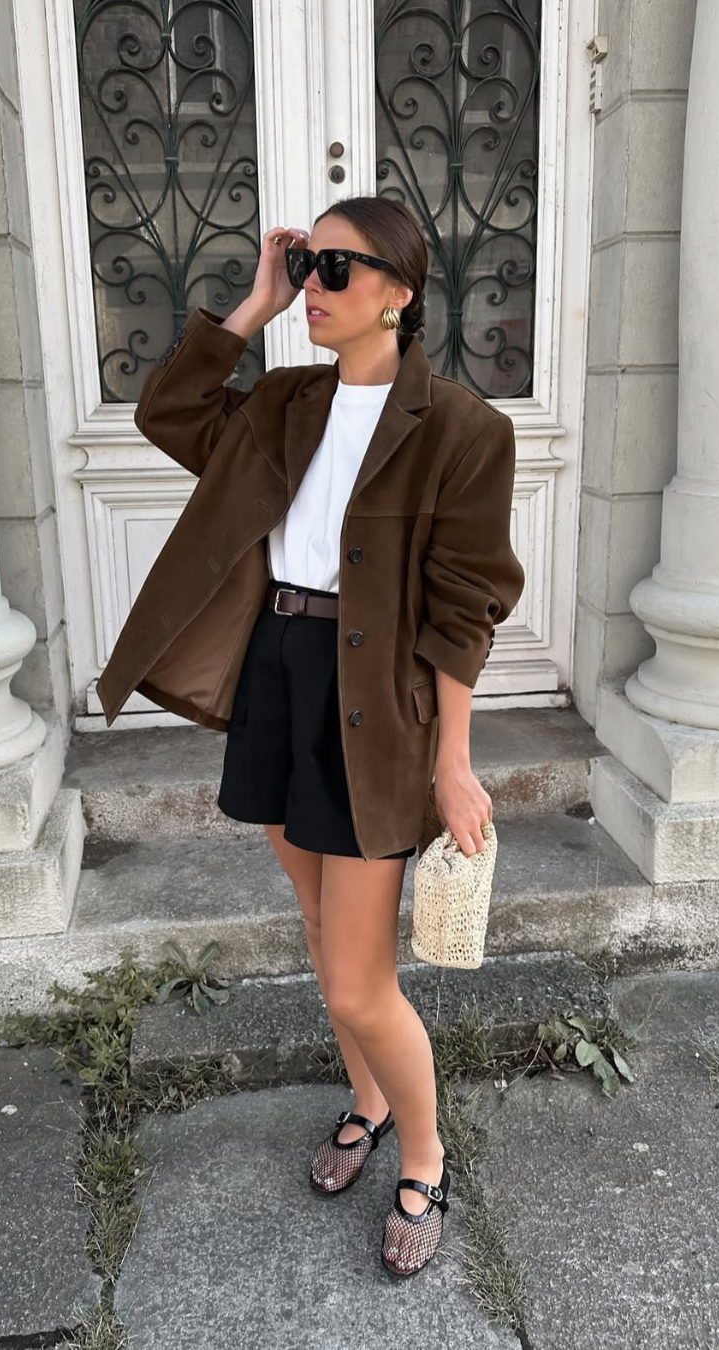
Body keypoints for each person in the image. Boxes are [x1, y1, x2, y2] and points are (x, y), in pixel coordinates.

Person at [102, 195, 525, 1278]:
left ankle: (426, 1153)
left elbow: (465, 600)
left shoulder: (466, 431)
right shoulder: (286, 402)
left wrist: (454, 759)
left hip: (378, 701)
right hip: (280, 676)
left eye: (337, 269)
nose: (315, 289)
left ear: (400, 293)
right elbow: (169, 410)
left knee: (353, 981)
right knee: (314, 913)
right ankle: (371, 1101)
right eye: (307, 266)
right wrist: (250, 303)